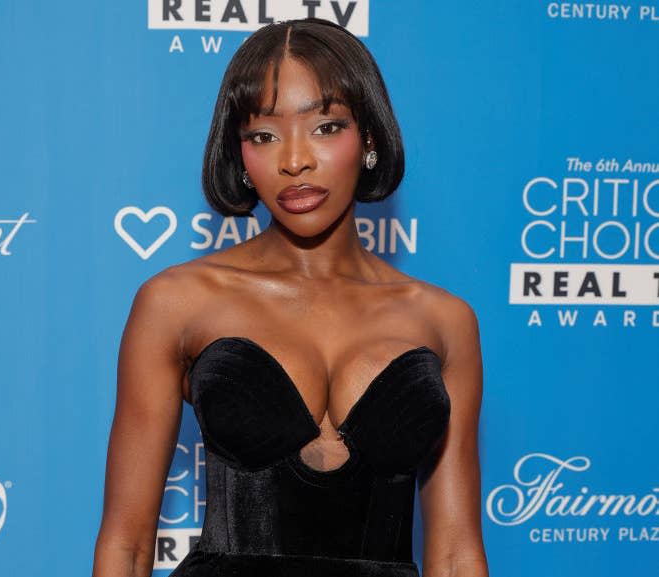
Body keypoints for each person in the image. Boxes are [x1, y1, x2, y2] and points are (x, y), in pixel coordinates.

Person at [92, 17, 488, 577]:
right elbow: (126, 547)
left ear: (369, 137)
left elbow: (455, 553)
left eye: (325, 127)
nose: (293, 160)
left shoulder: (443, 320)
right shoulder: (176, 302)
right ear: (241, 156)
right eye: (263, 135)